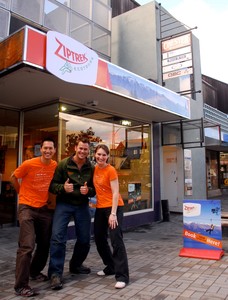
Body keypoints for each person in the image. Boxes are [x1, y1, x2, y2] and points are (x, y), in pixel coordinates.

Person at [48, 137, 96, 290]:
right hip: (64, 204)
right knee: (57, 237)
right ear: (76, 148)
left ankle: (76, 265)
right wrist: (63, 188)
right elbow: (52, 186)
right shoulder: (63, 164)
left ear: (89, 151)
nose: (82, 151)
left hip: (82, 206)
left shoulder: (92, 167)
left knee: (84, 239)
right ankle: (55, 274)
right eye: (80, 148)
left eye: (85, 149)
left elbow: (95, 189)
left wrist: (88, 191)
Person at [11, 137, 57, 297]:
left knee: (44, 244)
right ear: (41, 149)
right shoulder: (29, 163)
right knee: (27, 246)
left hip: (44, 208)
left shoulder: (54, 166)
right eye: (45, 148)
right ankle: (20, 286)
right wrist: (21, 194)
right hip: (27, 208)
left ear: (54, 151)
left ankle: (35, 271)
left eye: (51, 148)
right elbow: (13, 177)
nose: (48, 151)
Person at [93, 144, 129, 289]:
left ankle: (122, 276)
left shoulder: (111, 170)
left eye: (104, 155)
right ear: (94, 155)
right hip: (100, 208)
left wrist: (113, 214)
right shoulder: (94, 169)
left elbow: (115, 193)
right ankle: (111, 266)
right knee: (99, 238)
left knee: (116, 240)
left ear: (108, 157)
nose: (101, 157)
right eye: (98, 154)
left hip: (114, 208)